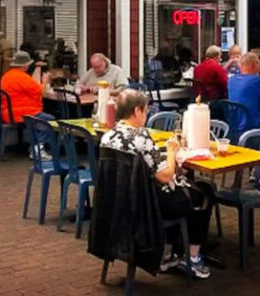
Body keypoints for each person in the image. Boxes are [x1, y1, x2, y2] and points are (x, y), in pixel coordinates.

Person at [100, 89, 215, 279]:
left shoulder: (107, 137)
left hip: (120, 202)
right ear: (137, 111)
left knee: (189, 190)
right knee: (204, 192)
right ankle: (192, 257)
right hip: (147, 206)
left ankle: (170, 251)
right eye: (146, 111)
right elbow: (165, 177)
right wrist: (171, 152)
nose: (146, 115)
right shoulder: (141, 138)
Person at [228, 52, 260, 135]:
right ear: (254, 65)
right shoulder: (257, 81)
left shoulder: (231, 80)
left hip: (234, 128)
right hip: (253, 128)